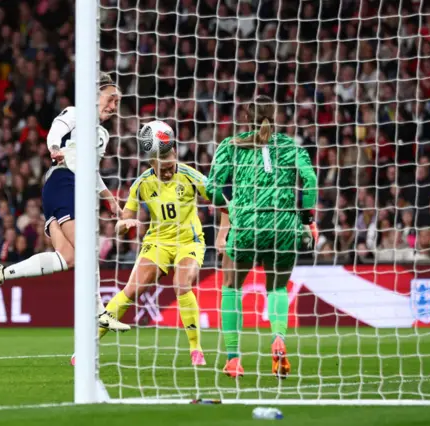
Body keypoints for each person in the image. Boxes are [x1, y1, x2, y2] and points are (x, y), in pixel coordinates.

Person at [0, 73, 129, 333]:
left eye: (117, 103)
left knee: (69, 258)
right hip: (64, 183)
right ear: (95, 94)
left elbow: (92, 172)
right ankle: (99, 312)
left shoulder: (102, 135)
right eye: (111, 99)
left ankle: (2, 273)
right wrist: (54, 149)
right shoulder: (76, 113)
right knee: (86, 246)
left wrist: (109, 200)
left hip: (65, 187)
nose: (113, 107)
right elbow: (55, 132)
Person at [206, 95, 318, 379]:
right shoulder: (290, 146)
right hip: (284, 226)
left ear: (246, 117)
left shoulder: (230, 146)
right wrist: (307, 219)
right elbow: (311, 182)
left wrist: (228, 207)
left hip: (247, 226)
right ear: (276, 117)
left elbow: (212, 187)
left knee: (231, 286)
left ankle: (233, 359)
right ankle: (278, 339)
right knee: (277, 288)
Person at [104, 148, 209, 366]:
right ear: (152, 163)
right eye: (163, 170)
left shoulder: (191, 176)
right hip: (158, 242)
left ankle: (195, 349)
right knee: (132, 289)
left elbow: (221, 199)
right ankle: (89, 344)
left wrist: (225, 231)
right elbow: (123, 221)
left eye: (171, 167)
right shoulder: (141, 183)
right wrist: (123, 226)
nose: (169, 173)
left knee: (182, 284)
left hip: (189, 241)